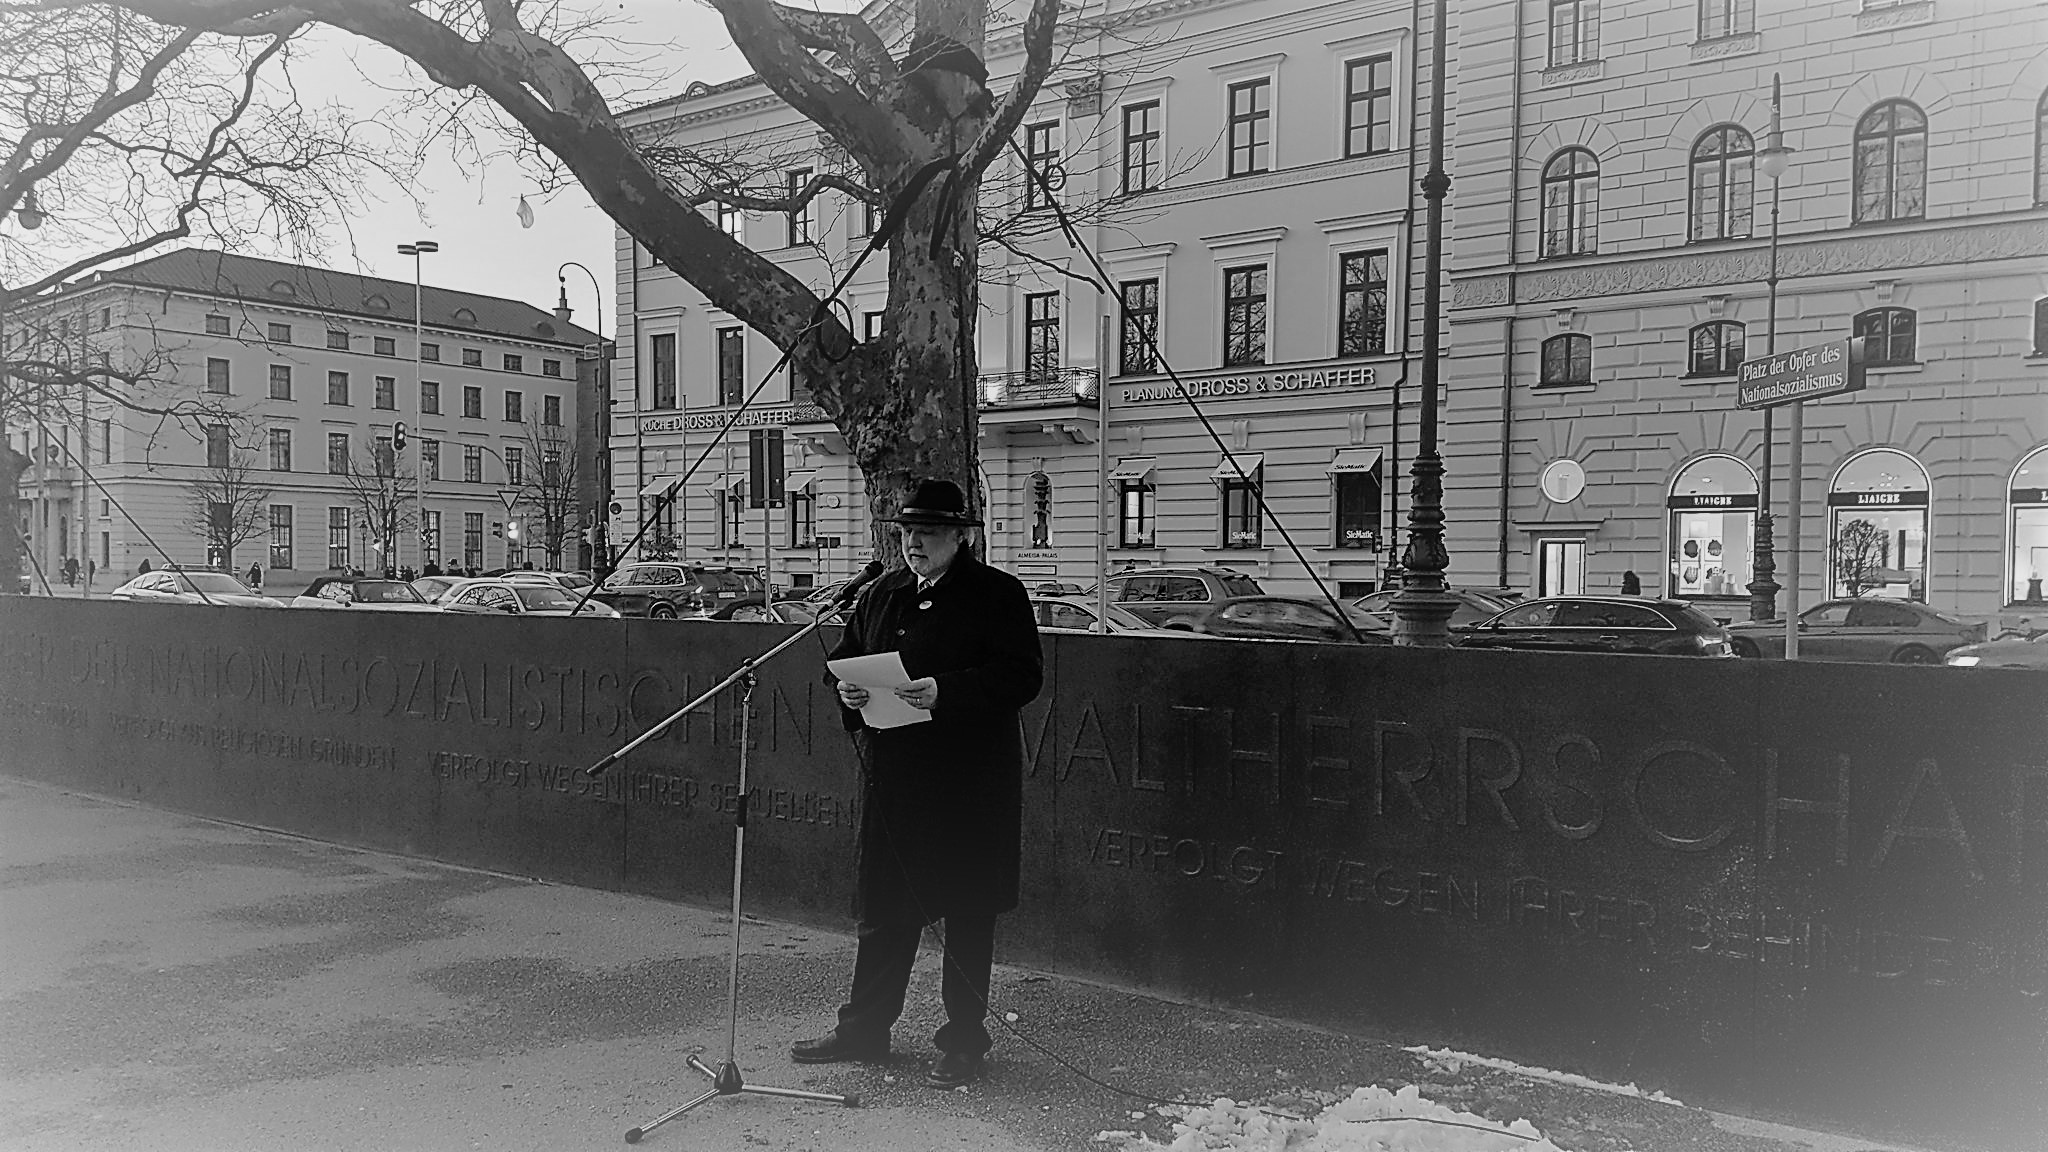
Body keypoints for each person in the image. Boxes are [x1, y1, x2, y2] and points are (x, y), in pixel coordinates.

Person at [793, 478, 1043, 1090]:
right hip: (897, 780)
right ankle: (865, 1028)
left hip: (968, 785)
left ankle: (963, 1042)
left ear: (960, 536)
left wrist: (944, 693)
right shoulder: (883, 593)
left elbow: (1022, 676)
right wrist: (848, 693)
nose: (913, 545)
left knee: (967, 910)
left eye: (927, 533)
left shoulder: (997, 595)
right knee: (885, 908)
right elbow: (847, 657)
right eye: (906, 533)